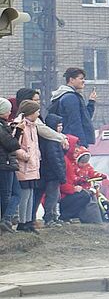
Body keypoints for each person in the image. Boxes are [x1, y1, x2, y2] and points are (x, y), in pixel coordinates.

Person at [58, 139, 104, 224]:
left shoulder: (84, 166)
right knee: (85, 196)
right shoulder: (69, 163)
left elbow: (92, 172)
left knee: (90, 195)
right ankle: (67, 216)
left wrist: (100, 175)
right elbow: (66, 181)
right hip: (69, 192)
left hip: (79, 188)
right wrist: (76, 184)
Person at [34, 112, 67, 227]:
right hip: (52, 174)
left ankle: (53, 216)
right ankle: (49, 218)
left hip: (51, 174)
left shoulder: (55, 139)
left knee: (55, 196)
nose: (61, 128)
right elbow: (55, 160)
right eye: (58, 126)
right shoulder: (52, 141)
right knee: (52, 197)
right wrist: (61, 175)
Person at [50, 67, 97, 146]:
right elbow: (75, 122)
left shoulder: (69, 96)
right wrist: (80, 143)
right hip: (73, 142)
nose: (83, 81)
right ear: (71, 80)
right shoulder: (70, 97)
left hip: (70, 140)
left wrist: (91, 102)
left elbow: (85, 118)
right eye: (81, 78)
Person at [14, 100, 41, 233]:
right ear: (30, 112)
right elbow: (15, 146)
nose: (38, 114)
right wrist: (26, 156)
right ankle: (22, 222)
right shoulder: (21, 126)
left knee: (31, 195)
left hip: (33, 167)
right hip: (24, 167)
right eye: (37, 111)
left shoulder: (34, 127)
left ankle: (29, 221)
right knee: (24, 196)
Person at [0, 101, 24, 231]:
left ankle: (6, 219)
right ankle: (5, 220)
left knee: (15, 193)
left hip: (7, 164)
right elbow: (12, 145)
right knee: (8, 194)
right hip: (5, 164)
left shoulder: (4, 126)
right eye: (8, 110)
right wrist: (19, 130)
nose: (10, 112)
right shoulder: (1, 127)